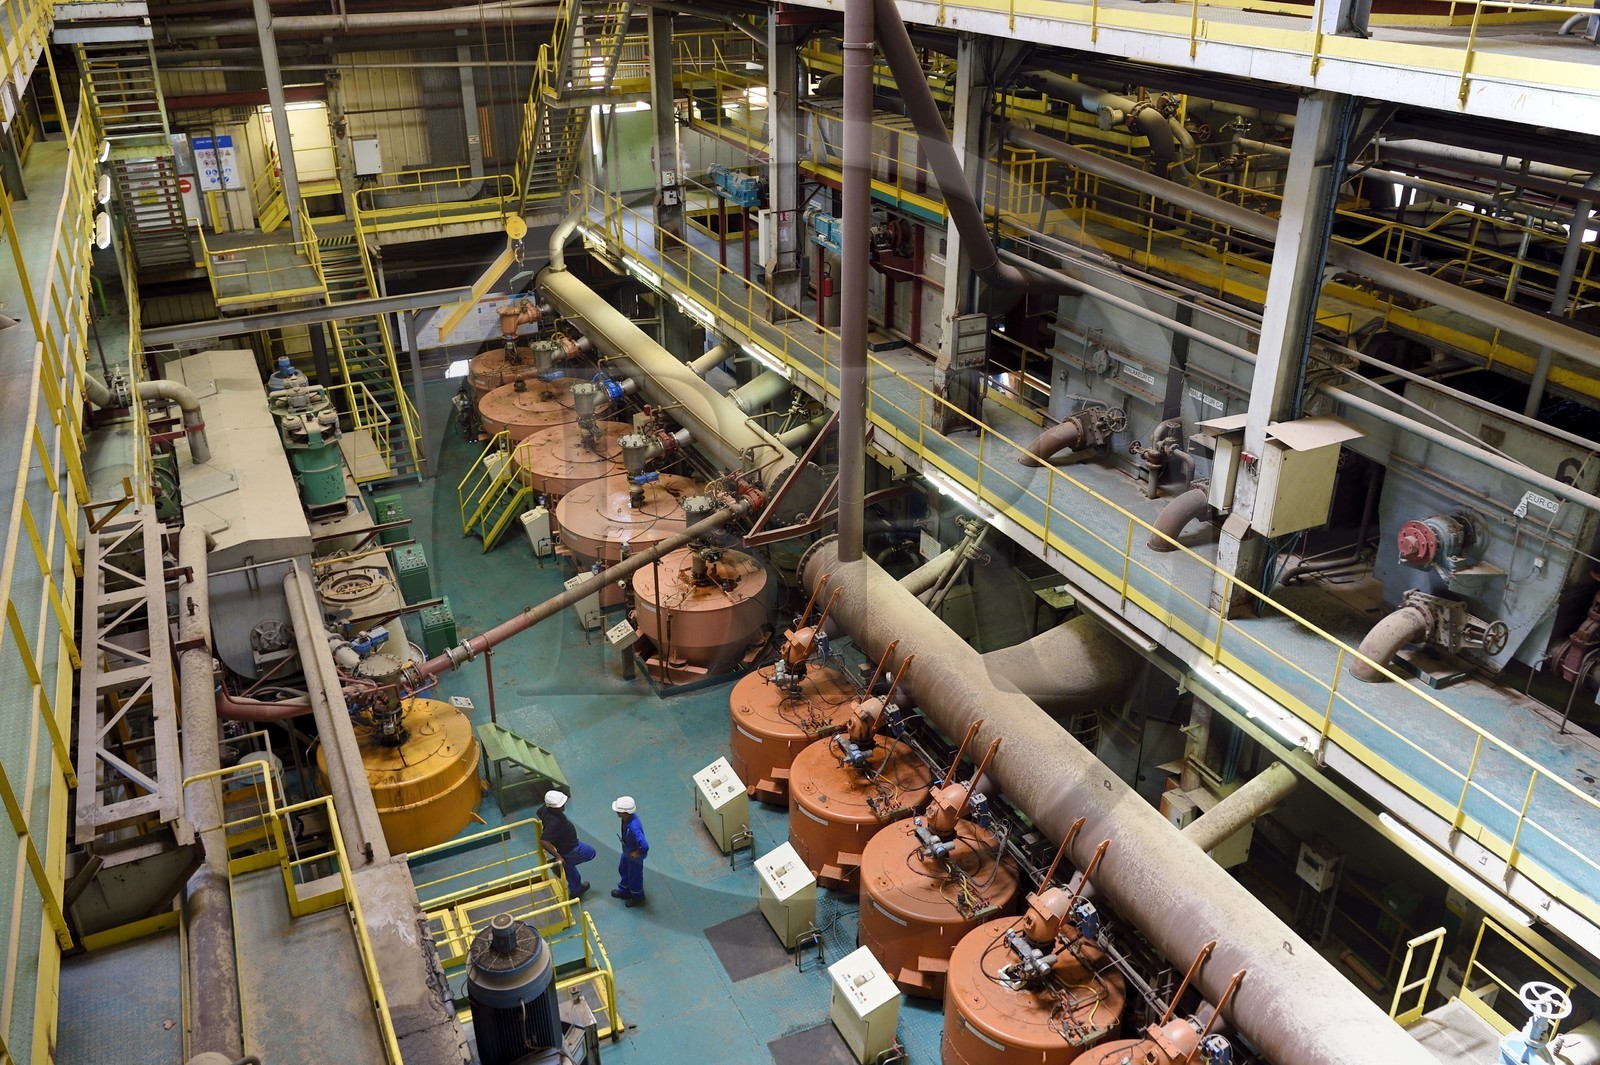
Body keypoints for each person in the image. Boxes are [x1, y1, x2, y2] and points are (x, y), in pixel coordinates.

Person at [538, 790, 595, 898]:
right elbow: (543, 841)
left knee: (569, 867)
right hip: (569, 847)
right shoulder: (555, 821)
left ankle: (576, 889)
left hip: (563, 844)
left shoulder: (545, 809)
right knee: (591, 853)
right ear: (552, 807)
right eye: (559, 806)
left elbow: (539, 813)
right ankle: (563, 862)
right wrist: (558, 856)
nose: (563, 807)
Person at [610, 795, 649, 907]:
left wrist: (637, 853)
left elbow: (644, 845)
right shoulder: (626, 819)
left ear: (625, 812)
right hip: (627, 851)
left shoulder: (633, 827)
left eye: (618, 810)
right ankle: (625, 891)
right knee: (623, 868)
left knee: (634, 876)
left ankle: (638, 897)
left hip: (634, 855)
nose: (617, 812)